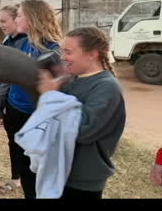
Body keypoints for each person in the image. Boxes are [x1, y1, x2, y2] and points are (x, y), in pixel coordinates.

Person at [37, 27, 126, 199]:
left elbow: (80, 131)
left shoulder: (107, 87)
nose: (62, 57)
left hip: (81, 179)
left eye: (68, 52)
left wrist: (51, 96)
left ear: (92, 54)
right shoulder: (72, 80)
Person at [7, 0, 64, 199]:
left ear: (32, 18)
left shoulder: (54, 51)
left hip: (36, 120)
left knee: (38, 175)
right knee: (25, 171)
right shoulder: (22, 44)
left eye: (20, 14)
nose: (16, 18)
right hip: (16, 113)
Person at [0, 5, 27, 194]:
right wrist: (0, 107)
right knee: (13, 143)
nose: (0, 25)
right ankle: (16, 179)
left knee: (25, 146)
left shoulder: (28, 43)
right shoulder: (8, 41)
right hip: (9, 104)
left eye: (3, 21)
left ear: (16, 20)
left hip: (23, 106)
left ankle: (27, 181)